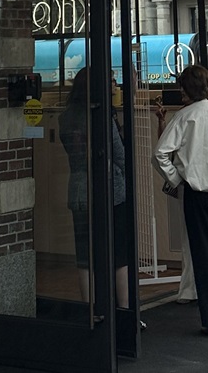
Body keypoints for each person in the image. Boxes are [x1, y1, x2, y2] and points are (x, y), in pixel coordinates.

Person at [153, 64, 208, 338]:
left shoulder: (184, 117)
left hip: (196, 192)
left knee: (203, 256)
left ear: (185, 89)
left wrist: (177, 179)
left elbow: (160, 154)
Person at [58, 69, 129, 307]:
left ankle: (90, 309)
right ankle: (124, 309)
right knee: (118, 253)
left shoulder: (66, 117)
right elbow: (119, 154)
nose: (114, 84)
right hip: (110, 190)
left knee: (85, 256)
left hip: (78, 189)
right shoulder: (102, 116)